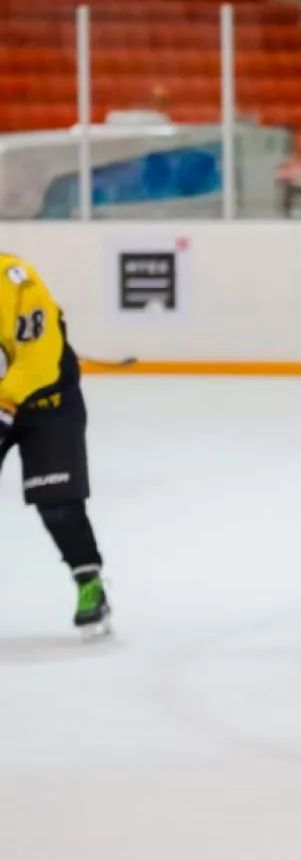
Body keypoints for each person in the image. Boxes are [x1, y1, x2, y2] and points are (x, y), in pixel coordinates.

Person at [0, 253, 111, 637]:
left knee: (56, 502)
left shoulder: (16, 281)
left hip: (48, 404)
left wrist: (5, 403)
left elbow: (40, 358)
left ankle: (89, 583)